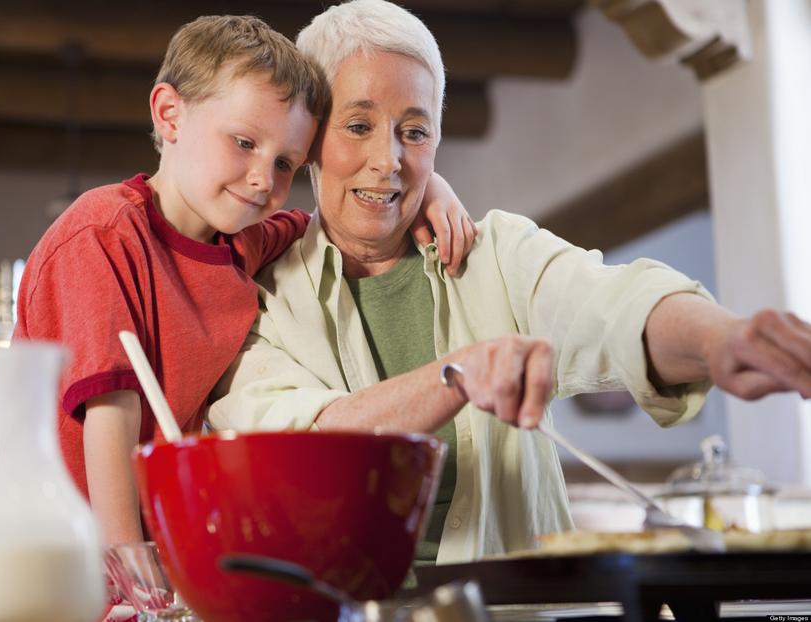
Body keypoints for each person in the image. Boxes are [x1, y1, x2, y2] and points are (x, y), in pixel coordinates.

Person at [208, 0, 811, 564]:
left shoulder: (497, 255)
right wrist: (458, 374)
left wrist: (719, 341)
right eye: (358, 126)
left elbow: (614, 307)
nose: (388, 160)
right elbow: (304, 446)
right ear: (311, 139)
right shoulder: (261, 299)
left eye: (414, 132)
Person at [14, 14, 474, 546]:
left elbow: (334, 223)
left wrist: (430, 186)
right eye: (243, 142)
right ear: (169, 114)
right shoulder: (102, 235)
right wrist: (131, 579)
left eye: (285, 163)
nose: (263, 178)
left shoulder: (242, 242)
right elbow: (111, 424)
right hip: (41, 547)